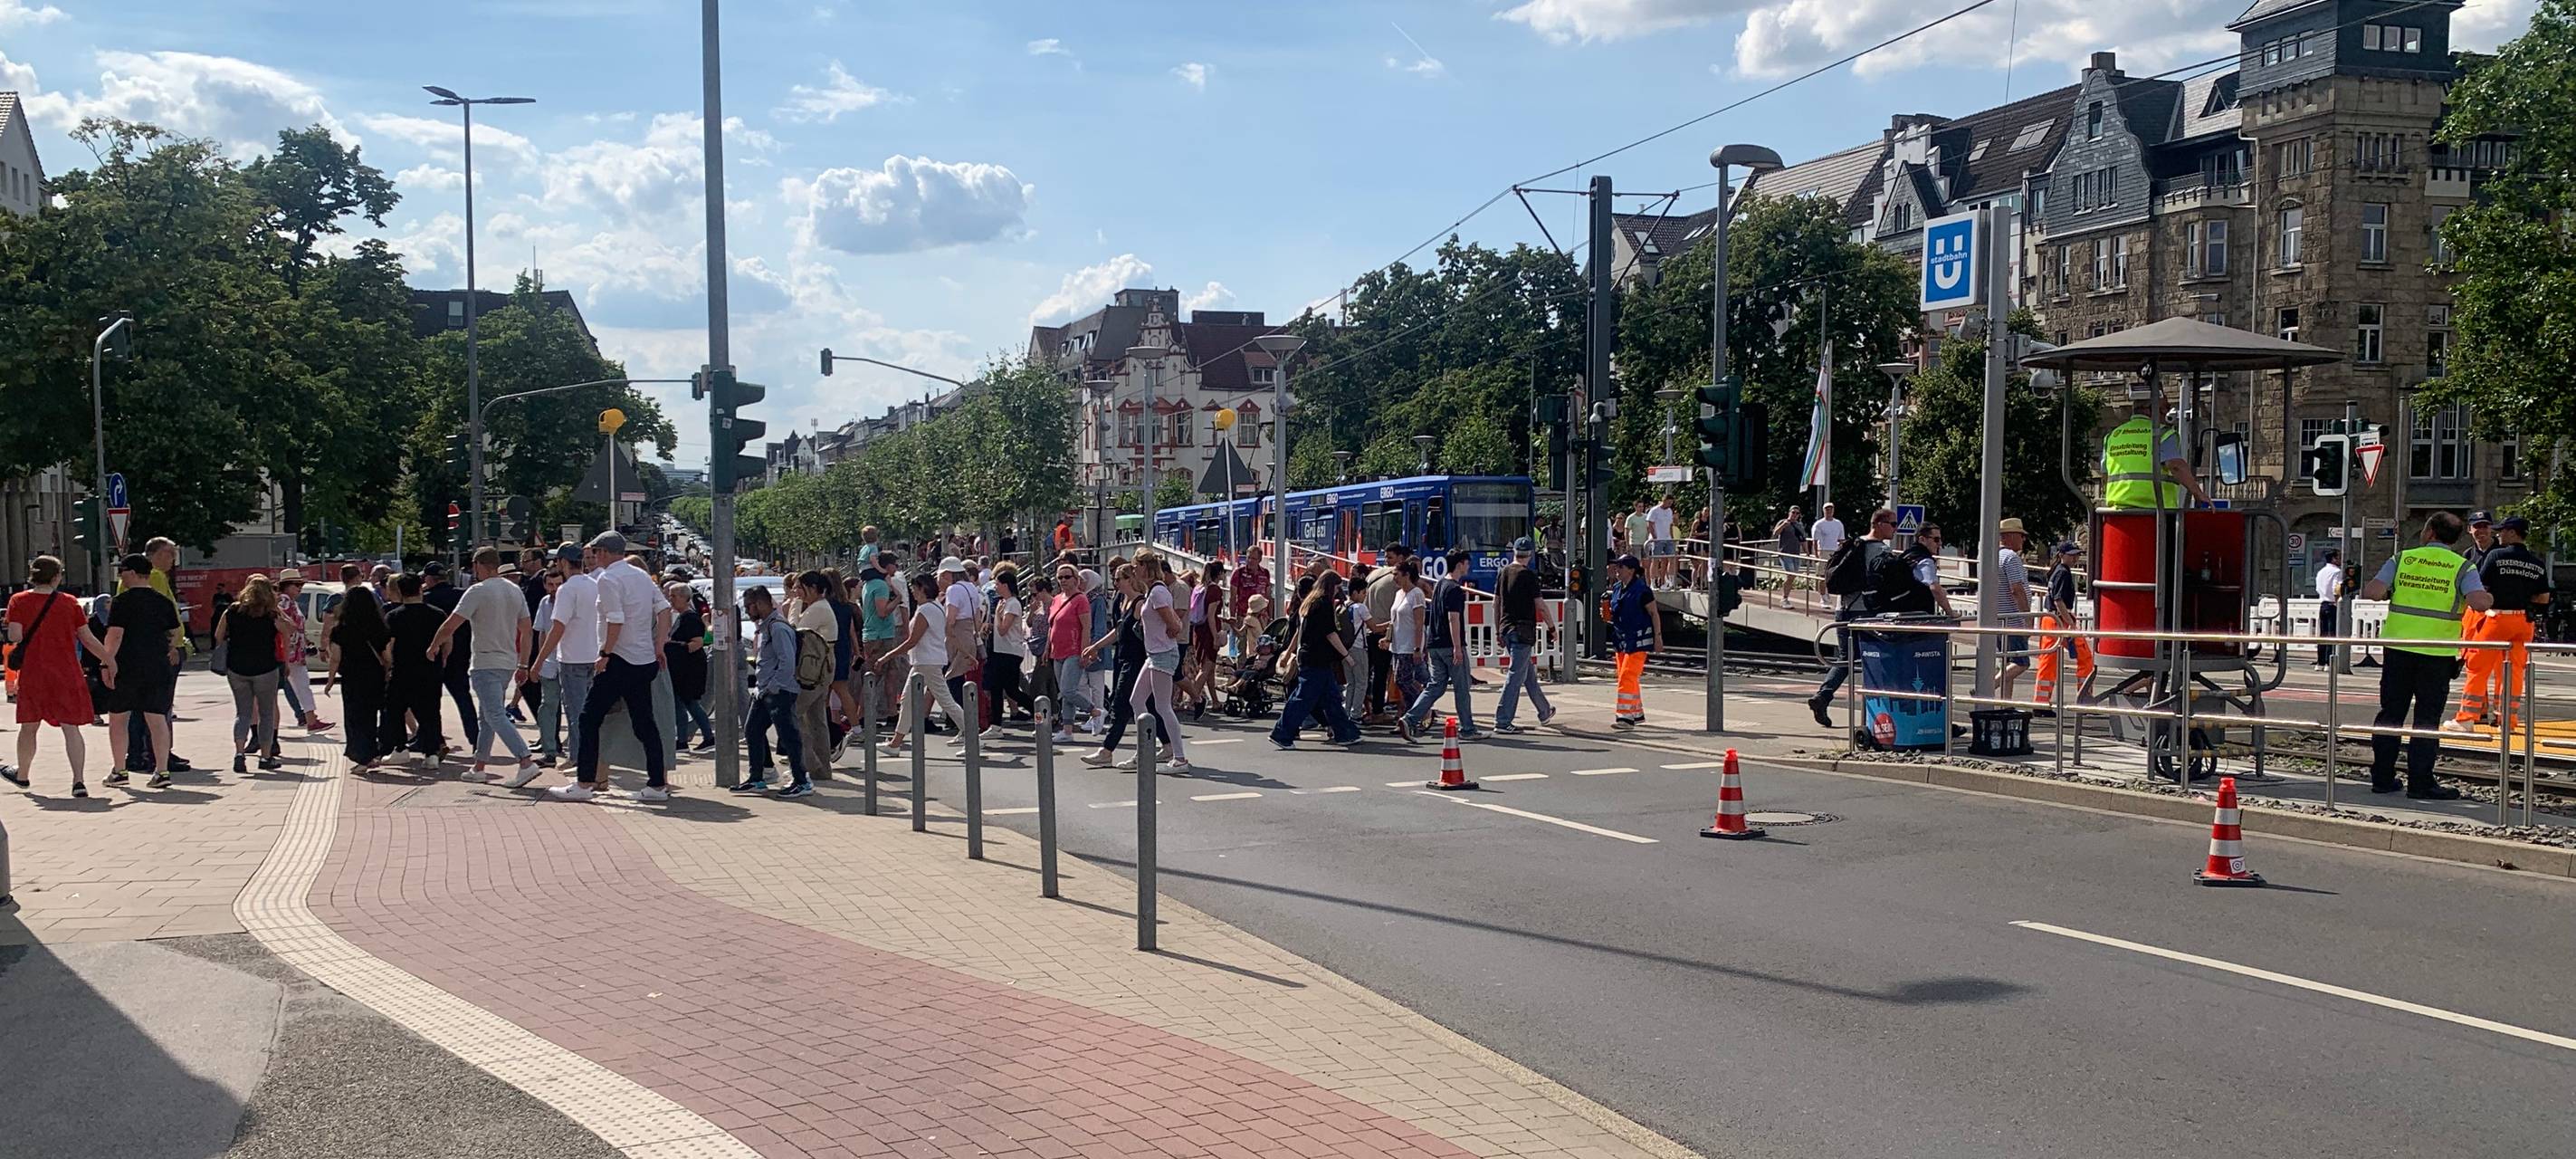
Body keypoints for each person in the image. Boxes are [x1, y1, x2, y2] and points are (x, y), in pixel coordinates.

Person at [2360, 512, 2489, 800]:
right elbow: (2479, 602)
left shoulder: (2402, 558)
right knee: (2426, 720)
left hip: (2399, 651)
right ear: (2454, 539)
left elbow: (2372, 591)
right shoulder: (2462, 566)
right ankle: (2420, 783)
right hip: (2436, 655)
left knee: (2391, 714)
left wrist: (2392, 592)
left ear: (2430, 532)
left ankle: (2382, 778)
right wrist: (2489, 597)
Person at [552, 532, 672, 802]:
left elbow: (615, 620)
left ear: (604, 552)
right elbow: (664, 610)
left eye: (594, 552)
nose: (591, 557)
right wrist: (659, 645)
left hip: (618, 659)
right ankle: (657, 784)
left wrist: (605, 653)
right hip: (644, 659)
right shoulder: (641, 576)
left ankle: (584, 782)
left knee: (588, 718)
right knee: (645, 723)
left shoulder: (608, 579)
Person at [428, 547, 537, 785]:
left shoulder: (477, 591)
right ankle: (479, 766)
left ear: (478, 565)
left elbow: (451, 624)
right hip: (508, 661)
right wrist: (524, 663)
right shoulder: (514, 590)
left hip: (485, 660)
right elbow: (527, 630)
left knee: (494, 715)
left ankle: (526, 761)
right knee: (487, 716)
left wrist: (434, 645)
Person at [5, 556, 112, 795]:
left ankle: (22, 775)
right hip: (66, 672)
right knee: (71, 728)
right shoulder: (69, 602)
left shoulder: (18, 600)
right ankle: (78, 782)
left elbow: (15, 636)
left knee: (29, 727)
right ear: (56, 576)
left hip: (34, 673)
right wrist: (108, 658)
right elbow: (86, 637)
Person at [2449, 515, 2549, 734]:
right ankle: (2507, 721)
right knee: (2513, 672)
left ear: (2513, 533)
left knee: (2478, 667)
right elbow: (2543, 598)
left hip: (2495, 618)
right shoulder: (2536, 563)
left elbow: (2481, 589)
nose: (2499, 534)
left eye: (2502, 531)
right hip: (2523, 621)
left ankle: (2466, 719)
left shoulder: (2496, 556)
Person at [1808, 507, 1895, 726]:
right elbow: (1884, 582)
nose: (1896, 529)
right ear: (1878, 524)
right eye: (1892, 524)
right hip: (1866, 611)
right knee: (1876, 657)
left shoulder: (1854, 544)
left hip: (1843, 609)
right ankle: (1879, 711)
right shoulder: (1878, 550)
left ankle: (1823, 696)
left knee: (1845, 658)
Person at [100, 553, 182, 787]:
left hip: (127, 667)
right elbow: (175, 631)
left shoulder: (122, 602)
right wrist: (167, 648)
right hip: (157, 667)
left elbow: (115, 635)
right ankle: (162, 771)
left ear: (133, 573)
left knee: (119, 719)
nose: (120, 576)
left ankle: (120, 771)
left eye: (122, 571)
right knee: (157, 720)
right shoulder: (163, 601)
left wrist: (107, 662)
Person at [877, 572, 971, 756]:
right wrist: (967, 654)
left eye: (915, 589)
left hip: (927, 661)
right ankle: (896, 743)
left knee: (946, 701)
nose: (913, 592)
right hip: (925, 661)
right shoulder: (935, 606)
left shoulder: (926, 610)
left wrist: (887, 655)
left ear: (922, 589)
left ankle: (972, 735)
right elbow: (948, 634)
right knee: (907, 700)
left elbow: (913, 640)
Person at [1270, 571, 1363, 750]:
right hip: (1317, 658)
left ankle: (1345, 733)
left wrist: (1291, 652)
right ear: (1331, 586)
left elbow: (1301, 632)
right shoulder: (1324, 604)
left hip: (1309, 656)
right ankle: (1282, 733)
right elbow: (1330, 633)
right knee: (1304, 698)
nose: (1338, 591)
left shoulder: (1310, 603)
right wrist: (1347, 656)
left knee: (1331, 698)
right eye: (1336, 587)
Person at [730, 585, 809, 795]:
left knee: (788, 735)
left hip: (779, 691)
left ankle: (801, 781)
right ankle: (757, 778)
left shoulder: (778, 628)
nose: (747, 611)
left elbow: (787, 663)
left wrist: (772, 687)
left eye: (749, 606)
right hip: (764, 691)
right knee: (752, 730)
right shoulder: (767, 626)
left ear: (760, 604)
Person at [1401, 549, 1480, 742]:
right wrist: (1457, 647)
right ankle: (1467, 728)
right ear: (1460, 564)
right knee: (1462, 687)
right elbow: (1454, 619)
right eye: (1467, 563)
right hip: (1449, 646)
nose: (1468, 566)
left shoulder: (1440, 586)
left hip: (1434, 644)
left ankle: (1410, 719)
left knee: (1435, 686)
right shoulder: (1454, 589)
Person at [532, 544, 598, 771]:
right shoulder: (594, 584)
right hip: (594, 655)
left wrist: (539, 661)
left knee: (575, 712)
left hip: (572, 658)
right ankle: (588, 755)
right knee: (589, 712)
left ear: (562, 562)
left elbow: (557, 628)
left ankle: (578, 758)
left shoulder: (567, 590)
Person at [214, 573, 288, 774]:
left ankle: (239, 754)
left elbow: (218, 636)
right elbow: (288, 630)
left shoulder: (232, 610)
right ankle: (265, 757)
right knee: (266, 713)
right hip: (266, 668)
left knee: (243, 712)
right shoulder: (271, 614)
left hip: (237, 668)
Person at [1124, 551, 1192, 770]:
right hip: (1155, 654)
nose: (1134, 570)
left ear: (1145, 567)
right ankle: (1145, 750)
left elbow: (1175, 623)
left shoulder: (1157, 593)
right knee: (1137, 700)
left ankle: (1180, 757)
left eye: (1136, 566)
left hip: (1162, 654)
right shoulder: (1154, 592)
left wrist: (1171, 630)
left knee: (1163, 706)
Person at [326, 569, 394, 771]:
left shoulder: (340, 629)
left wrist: (330, 680)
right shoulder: (379, 627)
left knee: (355, 717)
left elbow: (335, 658)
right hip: (375, 675)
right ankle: (373, 753)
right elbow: (386, 656)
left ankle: (362, 756)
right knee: (372, 715)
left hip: (352, 678)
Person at [1490, 537, 1556, 733]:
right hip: (1523, 631)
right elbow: (1540, 606)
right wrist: (1552, 628)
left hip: (1507, 629)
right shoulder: (1529, 575)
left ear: (1515, 552)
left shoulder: (1503, 573)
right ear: (1530, 554)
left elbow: (1496, 604)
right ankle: (1502, 720)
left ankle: (1544, 711)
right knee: (1515, 676)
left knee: (1528, 675)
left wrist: (1498, 630)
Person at [381, 573, 447, 766]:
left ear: (400, 592)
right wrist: (442, 660)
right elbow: (447, 642)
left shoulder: (393, 616)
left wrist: (387, 666)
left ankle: (400, 748)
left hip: (402, 671)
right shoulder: (437, 614)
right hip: (430, 670)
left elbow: (388, 646)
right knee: (431, 712)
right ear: (421, 589)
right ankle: (431, 754)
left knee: (394, 709)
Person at [2101, 402, 2216, 510]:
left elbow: (2105, 474)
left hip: (2118, 513)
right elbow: (2175, 465)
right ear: (2152, 409)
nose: (2167, 413)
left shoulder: (2112, 436)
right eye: (2165, 408)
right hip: (2157, 512)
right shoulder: (2163, 433)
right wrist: (2198, 492)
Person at [419, 561, 479, 752]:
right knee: (463, 697)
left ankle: (432, 738)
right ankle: (476, 739)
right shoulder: (462, 595)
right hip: (461, 654)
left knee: (429, 700)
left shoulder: (426, 599)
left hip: (433, 654)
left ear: (429, 579)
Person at [788, 570, 841, 774]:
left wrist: (793, 606)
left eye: (800, 588)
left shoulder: (817, 608)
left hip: (814, 668)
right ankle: (822, 768)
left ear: (812, 588)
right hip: (822, 665)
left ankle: (809, 764)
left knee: (794, 714)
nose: (797, 592)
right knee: (817, 719)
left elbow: (795, 631)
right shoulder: (820, 606)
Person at [2032, 541, 2094, 709]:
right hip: (2059, 620)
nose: (2076, 558)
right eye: (2072, 555)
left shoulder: (2057, 572)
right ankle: (2084, 698)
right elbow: (2059, 600)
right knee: (2085, 657)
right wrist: (2070, 624)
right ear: (2062, 555)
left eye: (2077, 555)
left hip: (2053, 619)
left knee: (2048, 660)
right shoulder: (2063, 573)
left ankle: (2041, 701)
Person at [1601, 553, 1659, 728]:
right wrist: (1607, 615)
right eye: (1616, 567)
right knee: (1626, 676)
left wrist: (1658, 638)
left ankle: (1625, 718)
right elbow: (1616, 613)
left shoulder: (1643, 590)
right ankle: (1636, 713)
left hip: (1639, 639)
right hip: (1621, 639)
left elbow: (1654, 614)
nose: (1617, 570)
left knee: (1627, 676)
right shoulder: (1618, 588)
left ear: (1632, 570)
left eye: (1621, 567)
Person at [274, 570, 330, 733]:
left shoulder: (290, 601)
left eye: (301, 584)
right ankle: (310, 720)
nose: (300, 588)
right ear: (286, 586)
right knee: (300, 685)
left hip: (294, 652)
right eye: (296, 585)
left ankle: (310, 719)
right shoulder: (284, 601)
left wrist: (305, 640)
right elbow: (283, 624)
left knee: (300, 685)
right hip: (290, 652)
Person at [1360, 543, 1412, 720]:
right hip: (1384, 631)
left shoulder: (1374, 574)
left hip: (1368, 630)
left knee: (1368, 673)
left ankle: (1364, 706)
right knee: (1383, 674)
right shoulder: (1396, 580)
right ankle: (1378, 711)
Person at [1045, 562, 1094, 742]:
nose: (1063, 580)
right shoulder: (1057, 599)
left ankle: (1095, 711)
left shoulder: (1080, 599)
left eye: (1067, 576)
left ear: (1076, 579)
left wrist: (1084, 651)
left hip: (1074, 650)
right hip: (1057, 650)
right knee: (1065, 692)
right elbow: (1052, 626)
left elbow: (1086, 627)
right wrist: (1046, 649)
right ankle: (1067, 730)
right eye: (1060, 577)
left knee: (1067, 690)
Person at [664, 581, 713, 751]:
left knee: (691, 703)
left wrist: (671, 645)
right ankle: (682, 740)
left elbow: (696, 643)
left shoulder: (690, 618)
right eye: (669, 595)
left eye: (674, 596)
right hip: (680, 669)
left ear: (685, 598)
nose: (670, 599)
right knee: (680, 704)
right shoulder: (681, 617)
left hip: (689, 669)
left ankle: (708, 736)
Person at [987, 565, 1036, 725]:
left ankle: (1038, 711)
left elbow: (1003, 629)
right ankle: (996, 723)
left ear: (1005, 585)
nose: (995, 587)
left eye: (998, 584)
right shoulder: (1004, 602)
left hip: (1010, 652)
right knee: (998, 687)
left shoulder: (1012, 604)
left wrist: (1000, 616)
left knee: (1011, 690)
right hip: (1000, 650)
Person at [856, 554, 902, 726]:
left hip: (880, 634)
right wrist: (897, 599)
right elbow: (882, 611)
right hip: (879, 636)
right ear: (886, 566)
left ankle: (892, 712)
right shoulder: (880, 586)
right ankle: (862, 716)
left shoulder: (869, 584)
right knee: (873, 677)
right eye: (894, 564)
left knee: (891, 674)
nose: (896, 568)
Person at [1992, 518, 2033, 703]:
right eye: (2021, 536)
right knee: (2020, 663)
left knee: (2006, 664)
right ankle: (1986, 687)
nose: (2023, 540)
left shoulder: (1992, 556)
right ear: (2009, 537)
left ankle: (2005, 703)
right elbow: (2016, 589)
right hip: (2013, 619)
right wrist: (2027, 618)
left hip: (1998, 618)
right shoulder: (2011, 558)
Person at [1382, 560, 1428, 717]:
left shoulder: (1416, 594)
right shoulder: (1398, 594)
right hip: (1397, 645)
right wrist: (1387, 637)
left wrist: (1417, 648)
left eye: (1396, 574)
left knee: (1403, 680)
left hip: (1409, 646)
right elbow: (1394, 620)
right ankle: (1412, 713)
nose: (1394, 578)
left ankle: (1420, 708)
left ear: (1406, 575)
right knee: (1401, 681)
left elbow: (1419, 623)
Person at [2313, 549, 2345, 668]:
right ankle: (2328, 662)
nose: (2341, 560)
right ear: (2334, 559)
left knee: (2323, 634)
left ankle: (2320, 662)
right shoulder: (2337, 571)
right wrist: (2338, 600)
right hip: (2332, 604)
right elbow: (2336, 588)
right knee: (2332, 634)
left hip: (2323, 603)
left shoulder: (2321, 572)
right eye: (2339, 557)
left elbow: (2318, 588)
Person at [1772, 507, 1808, 594]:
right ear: (1789, 513)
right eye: (1793, 512)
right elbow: (1775, 533)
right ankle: (1784, 597)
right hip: (1785, 553)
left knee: (1793, 576)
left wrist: (1807, 552)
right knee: (1791, 574)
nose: (1795, 515)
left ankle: (1785, 594)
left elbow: (1803, 539)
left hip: (1796, 553)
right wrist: (1783, 525)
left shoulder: (1799, 525)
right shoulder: (1783, 522)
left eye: (1797, 513)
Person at [1648, 493, 1679, 589]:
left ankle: (1671, 581)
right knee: (1656, 560)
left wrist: (1672, 538)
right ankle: (1653, 582)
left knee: (1672, 559)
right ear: (1664, 501)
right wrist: (1655, 538)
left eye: (1671, 503)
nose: (1670, 505)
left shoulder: (1669, 511)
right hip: (1658, 539)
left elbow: (1670, 525)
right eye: (1669, 502)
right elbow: (1650, 524)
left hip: (1668, 538)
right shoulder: (1654, 511)